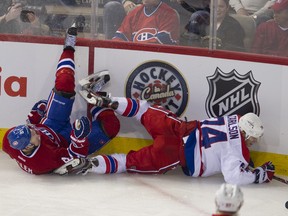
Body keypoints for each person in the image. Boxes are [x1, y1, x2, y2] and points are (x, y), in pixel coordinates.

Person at [76, 93, 275, 185]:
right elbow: (234, 177)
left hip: (177, 129)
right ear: (245, 133)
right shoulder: (237, 151)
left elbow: (229, 142)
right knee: (127, 162)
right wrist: (260, 175)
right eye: (253, 138)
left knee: (143, 109)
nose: (253, 142)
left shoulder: (232, 119)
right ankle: (91, 164)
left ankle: (109, 101)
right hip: (173, 155)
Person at [1, 24, 120, 175]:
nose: (34, 131)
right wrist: (78, 138)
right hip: (68, 142)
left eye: (30, 130)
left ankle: (68, 48)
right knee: (112, 125)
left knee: (64, 83)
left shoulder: (9, 140)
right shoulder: (43, 161)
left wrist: (35, 117)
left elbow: (31, 125)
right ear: (28, 147)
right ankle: (94, 98)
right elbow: (76, 158)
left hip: (51, 123)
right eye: (32, 134)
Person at [112, 0, 180, 45]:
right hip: (133, 56)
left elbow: (162, 42)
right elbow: (119, 37)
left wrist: (134, 48)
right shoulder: (134, 12)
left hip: (157, 60)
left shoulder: (169, 14)